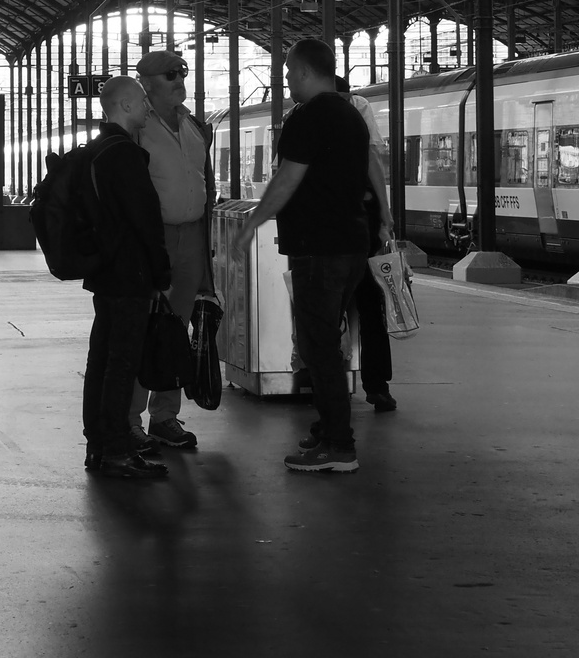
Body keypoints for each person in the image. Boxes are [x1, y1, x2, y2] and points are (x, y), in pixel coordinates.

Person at [235, 39, 369, 473]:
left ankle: (338, 445)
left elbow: (287, 179)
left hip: (320, 248)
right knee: (326, 340)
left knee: (317, 345)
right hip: (350, 242)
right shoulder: (351, 114)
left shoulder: (309, 117)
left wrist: (253, 222)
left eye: (290, 72)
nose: (287, 81)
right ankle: (329, 427)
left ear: (307, 72)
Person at [82, 76, 174, 479]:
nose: (148, 110)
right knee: (121, 363)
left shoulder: (97, 151)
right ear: (123, 106)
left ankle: (99, 444)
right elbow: (146, 220)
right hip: (130, 274)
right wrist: (161, 270)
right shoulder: (124, 155)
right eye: (141, 103)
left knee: (102, 359)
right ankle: (118, 451)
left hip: (105, 273)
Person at [128, 50, 215, 453]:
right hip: (154, 240)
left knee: (175, 331)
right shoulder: (136, 128)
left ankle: (165, 417)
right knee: (144, 329)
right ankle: (129, 420)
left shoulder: (195, 126)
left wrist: (206, 267)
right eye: (169, 75)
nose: (179, 79)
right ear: (145, 83)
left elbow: (206, 187)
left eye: (182, 72)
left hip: (191, 236)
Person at [336, 75, 398, 412]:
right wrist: (384, 216)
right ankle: (376, 386)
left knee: (328, 311)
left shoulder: (303, 113)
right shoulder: (357, 108)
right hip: (362, 222)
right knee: (370, 308)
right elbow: (375, 159)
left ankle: (327, 388)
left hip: (338, 227)